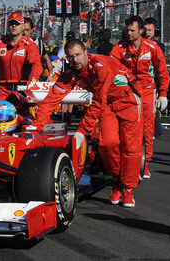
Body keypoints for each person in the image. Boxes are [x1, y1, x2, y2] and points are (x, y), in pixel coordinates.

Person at [33, 39, 142, 207]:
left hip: (127, 100)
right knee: (107, 144)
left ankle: (128, 188)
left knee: (130, 147)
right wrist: (35, 128)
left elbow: (98, 100)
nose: (75, 60)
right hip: (106, 105)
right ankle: (117, 181)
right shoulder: (71, 72)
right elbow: (51, 99)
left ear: (85, 52)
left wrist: (81, 130)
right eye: (70, 57)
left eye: (77, 55)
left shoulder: (101, 65)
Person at [110, 16, 170, 179]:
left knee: (147, 128)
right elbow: (110, 66)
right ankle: (126, 162)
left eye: (132, 30)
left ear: (141, 31)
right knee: (125, 128)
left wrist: (163, 94)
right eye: (127, 30)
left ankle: (145, 163)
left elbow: (163, 71)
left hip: (147, 92)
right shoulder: (120, 47)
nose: (128, 33)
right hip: (126, 91)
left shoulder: (152, 47)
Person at [0, 12, 43, 101]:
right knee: (1, 114)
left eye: (17, 23)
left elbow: (37, 66)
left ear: (22, 26)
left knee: (23, 115)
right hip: (3, 91)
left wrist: (31, 86)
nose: (14, 26)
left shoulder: (29, 45)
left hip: (23, 90)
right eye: (11, 23)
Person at [23, 17, 53, 81]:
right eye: (23, 30)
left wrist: (51, 75)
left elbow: (47, 59)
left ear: (32, 30)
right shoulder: (14, 42)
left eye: (27, 30)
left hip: (35, 78)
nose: (24, 33)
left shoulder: (38, 42)